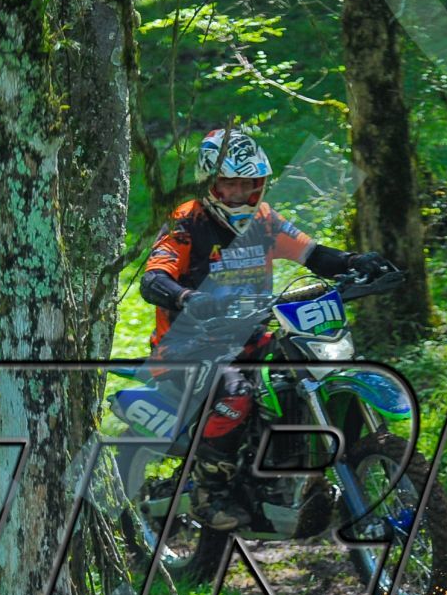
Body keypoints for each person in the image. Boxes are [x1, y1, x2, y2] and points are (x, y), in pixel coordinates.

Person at [138, 127, 395, 531]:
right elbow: (154, 278)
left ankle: (293, 475)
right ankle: (209, 492)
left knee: (299, 377)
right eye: (230, 184)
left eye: (250, 184)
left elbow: (313, 254)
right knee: (236, 394)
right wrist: (188, 298)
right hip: (190, 347)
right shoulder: (186, 221)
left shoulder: (264, 220)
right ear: (210, 183)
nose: (240, 193)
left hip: (253, 338)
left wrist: (353, 261)